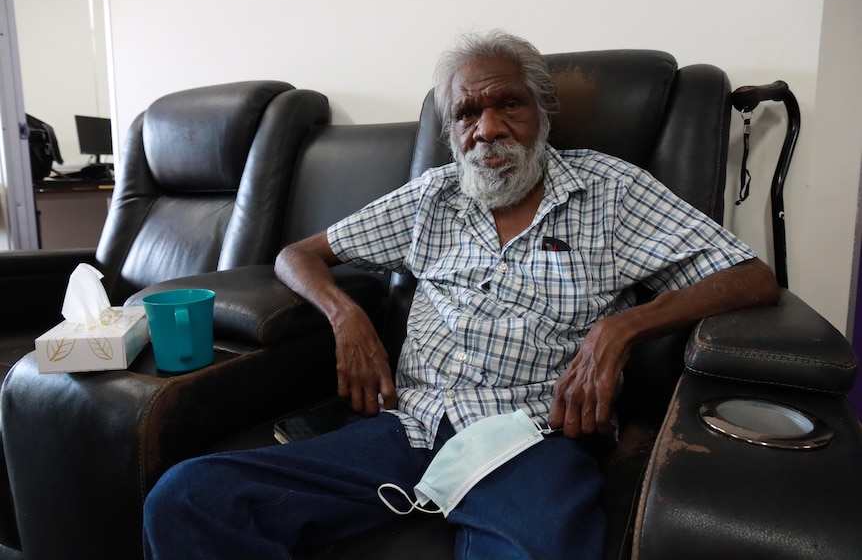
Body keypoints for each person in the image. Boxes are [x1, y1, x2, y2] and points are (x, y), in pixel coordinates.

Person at [143, 31, 779, 560]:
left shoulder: (609, 190)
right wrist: (346, 315)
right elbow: (296, 255)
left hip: (533, 433)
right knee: (189, 496)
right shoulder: (433, 196)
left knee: (536, 548)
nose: (488, 129)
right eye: (467, 114)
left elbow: (750, 276)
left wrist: (624, 327)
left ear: (543, 112)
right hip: (410, 428)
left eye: (509, 105)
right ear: (451, 130)